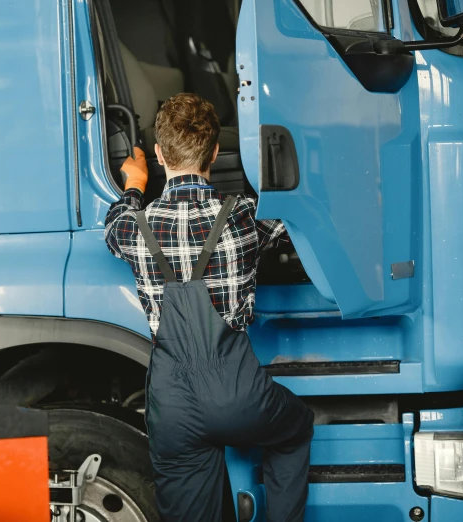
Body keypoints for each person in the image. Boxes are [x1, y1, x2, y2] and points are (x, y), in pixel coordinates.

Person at [104, 93, 314, 522]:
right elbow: (287, 221)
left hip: (173, 407)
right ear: (215, 153)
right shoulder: (239, 220)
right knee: (296, 428)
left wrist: (133, 185)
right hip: (240, 397)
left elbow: (112, 224)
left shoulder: (134, 229)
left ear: (160, 154)